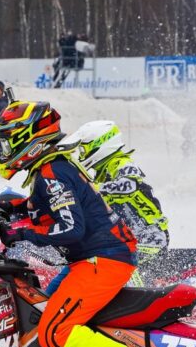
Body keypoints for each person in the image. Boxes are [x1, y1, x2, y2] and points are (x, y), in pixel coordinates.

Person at [0, 101, 154, 347]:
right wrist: (5, 207)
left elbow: (71, 228)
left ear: (27, 137)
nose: (4, 147)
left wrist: (18, 232)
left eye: (8, 139)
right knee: (39, 315)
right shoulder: (52, 167)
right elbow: (47, 211)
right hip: (92, 258)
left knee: (55, 331)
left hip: (103, 259)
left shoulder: (52, 171)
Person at [59, 121, 169, 285]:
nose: (81, 155)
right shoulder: (102, 173)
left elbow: (130, 184)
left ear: (100, 145)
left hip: (151, 237)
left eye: (83, 149)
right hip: (132, 236)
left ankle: (137, 294)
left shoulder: (121, 162)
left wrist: (94, 189)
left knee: (117, 260)